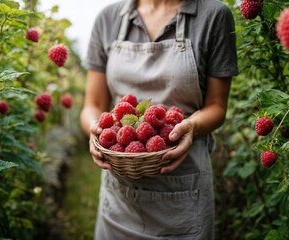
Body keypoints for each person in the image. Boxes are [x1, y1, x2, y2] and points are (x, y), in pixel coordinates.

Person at [80, 0, 238, 239]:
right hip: (119, 192)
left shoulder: (214, 15)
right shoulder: (108, 18)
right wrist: (95, 129)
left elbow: (216, 106)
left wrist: (191, 126)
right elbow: (92, 105)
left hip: (184, 190)